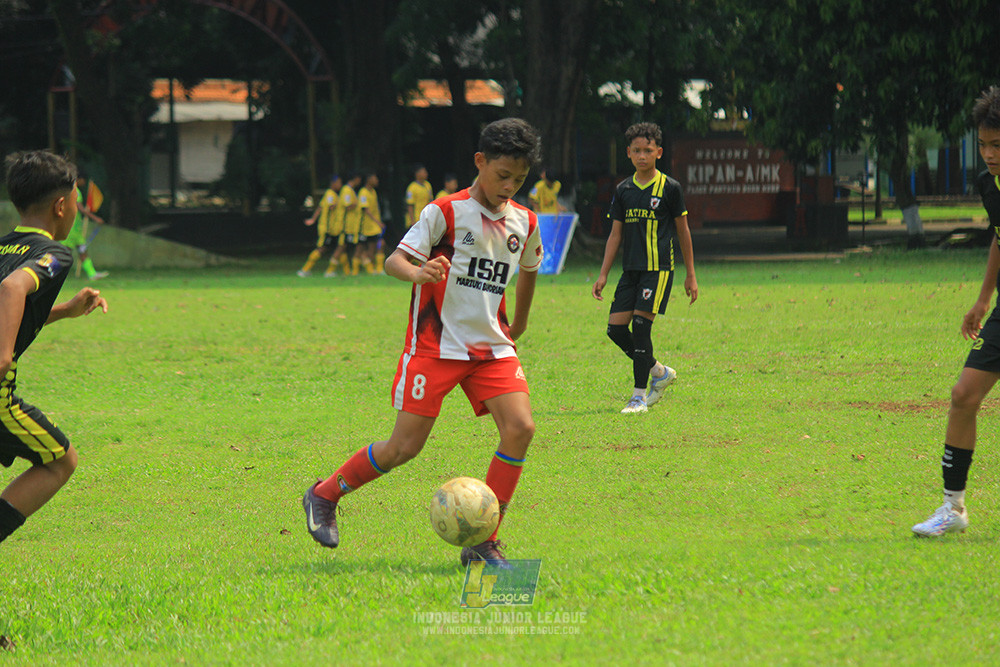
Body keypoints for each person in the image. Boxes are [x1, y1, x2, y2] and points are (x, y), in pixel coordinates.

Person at [302, 118, 544, 567]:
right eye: (502, 175)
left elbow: (528, 270)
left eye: (519, 179)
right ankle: (323, 494)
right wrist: (419, 272)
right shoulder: (446, 212)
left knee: (521, 428)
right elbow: (395, 260)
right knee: (403, 449)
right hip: (435, 348)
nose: (509, 186)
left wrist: (520, 323)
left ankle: (483, 542)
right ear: (480, 162)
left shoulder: (524, 221)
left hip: (491, 349)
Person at [0, 151, 109, 544]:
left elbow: (8, 307)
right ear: (62, 206)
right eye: (77, 203)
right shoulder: (54, 253)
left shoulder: (3, 248)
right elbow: (12, 290)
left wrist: (63, 310)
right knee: (59, 461)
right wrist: (2, 357)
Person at [912, 86, 1000, 537]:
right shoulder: (989, 184)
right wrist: (983, 299)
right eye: (983, 144)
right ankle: (954, 509)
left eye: (997, 145)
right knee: (964, 396)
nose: (988, 154)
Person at [591, 122, 698, 414]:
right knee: (615, 330)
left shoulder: (670, 188)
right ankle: (659, 372)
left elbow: (683, 232)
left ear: (658, 152)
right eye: (636, 150)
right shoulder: (623, 189)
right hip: (631, 271)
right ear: (628, 153)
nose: (642, 156)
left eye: (648, 150)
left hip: (659, 268)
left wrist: (690, 274)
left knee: (640, 327)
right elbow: (615, 234)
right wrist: (603, 274)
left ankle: (638, 397)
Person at [61, 171, 108, 280]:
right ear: (79, 179)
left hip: (76, 229)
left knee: (82, 250)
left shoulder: (68, 191)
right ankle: (56, 274)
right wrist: (96, 218)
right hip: (71, 229)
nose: (84, 183)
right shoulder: (75, 191)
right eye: (83, 180)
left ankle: (92, 274)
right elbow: (81, 209)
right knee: (65, 253)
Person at [297, 174, 343, 278]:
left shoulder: (330, 194)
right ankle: (305, 270)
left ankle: (336, 271)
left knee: (340, 247)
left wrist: (313, 219)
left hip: (332, 228)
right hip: (328, 228)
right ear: (333, 183)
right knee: (322, 248)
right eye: (339, 182)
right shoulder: (331, 194)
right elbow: (331, 206)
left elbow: (320, 207)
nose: (340, 185)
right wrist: (341, 203)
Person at [358, 171, 385, 274]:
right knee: (375, 246)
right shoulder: (363, 192)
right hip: (367, 226)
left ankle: (376, 269)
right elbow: (366, 210)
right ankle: (372, 268)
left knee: (378, 245)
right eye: (375, 178)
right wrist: (378, 222)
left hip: (375, 226)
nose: (377, 180)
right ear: (369, 179)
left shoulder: (373, 191)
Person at [338, 173, 363, 276]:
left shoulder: (351, 190)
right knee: (343, 246)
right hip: (347, 225)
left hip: (353, 225)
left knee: (355, 245)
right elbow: (347, 206)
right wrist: (356, 204)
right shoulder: (346, 190)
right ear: (356, 178)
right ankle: (336, 270)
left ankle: (351, 271)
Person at [405, 164, 434, 230]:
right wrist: (412, 221)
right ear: (417, 174)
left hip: (425, 219)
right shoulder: (412, 188)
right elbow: (410, 205)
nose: (426, 174)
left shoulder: (428, 185)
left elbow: (430, 201)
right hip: (416, 220)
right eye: (424, 172)